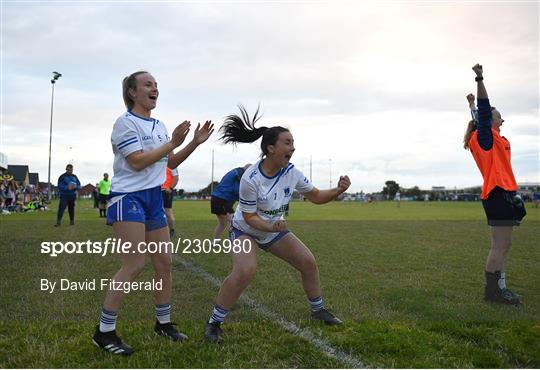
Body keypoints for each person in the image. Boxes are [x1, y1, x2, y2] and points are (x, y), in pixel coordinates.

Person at [204, 106, 351, 343]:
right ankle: (214, 323)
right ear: (270, 148)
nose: (292, 148)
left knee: (308, 262)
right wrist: (271, 227)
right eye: (287, 143)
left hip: (272, 230)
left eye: (293, 143)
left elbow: (315, 196)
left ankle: (318, 310)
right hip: (245, 229)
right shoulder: (251, 178)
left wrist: (338, 190)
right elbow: (250, 217)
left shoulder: (291, 172)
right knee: (244, 271)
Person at [92, 70, 214, 355]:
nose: (154, 88)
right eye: (148, 84)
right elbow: (136, 162)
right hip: (128, 198)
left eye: (156, 85)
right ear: (132, 92)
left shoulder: (159, 125)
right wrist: (172, 142)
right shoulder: (124, 123)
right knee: (134, 264)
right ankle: (104, 331)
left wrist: (194, 142)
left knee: (164, 263)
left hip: (153, 199)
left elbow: (168, 162)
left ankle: (163, 323)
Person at [463, 64, 526, 305]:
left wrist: (470, 106)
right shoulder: (485, 137)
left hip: (501, 195)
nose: (502, 118)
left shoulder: (489, 136)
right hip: (498, 194)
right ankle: (494, 292)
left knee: (502, 245)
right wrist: (479, 79)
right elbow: (483, 109)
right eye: (498, 115)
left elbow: (477, 116)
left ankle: (498, 288)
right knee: (500, 247)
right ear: (490, 119)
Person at [210, 164, 251, 239]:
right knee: (234, 223)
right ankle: (236, 242)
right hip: (222, 200)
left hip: (217, 199)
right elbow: (238, 191)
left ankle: (215, 242)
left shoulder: (236, 172)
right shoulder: (239, 175)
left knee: (223, 224)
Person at [161, 167, 179, 238]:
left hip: (166, 191)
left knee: (168, 212)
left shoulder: (172, 164)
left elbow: (176, 178)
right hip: (156, 190)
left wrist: (170, 188)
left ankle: (172, 230)